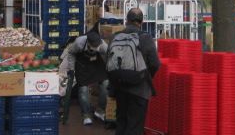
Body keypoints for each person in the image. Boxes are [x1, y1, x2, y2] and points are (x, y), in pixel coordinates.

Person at [108, 7, 160, 135]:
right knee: (135, 127)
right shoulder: (145, 38)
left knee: (121, 123)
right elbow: (155, 64)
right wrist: (145, 76)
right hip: (139, 89)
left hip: (119, 87)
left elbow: (108, 61)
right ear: (141, 22)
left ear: (127, 20)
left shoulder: (115, 37)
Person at [59, 31, 109, 126]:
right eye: (93, 46)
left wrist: (109, 69)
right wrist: (72, 69)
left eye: (97, 46)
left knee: (106, 84)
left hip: (97, 65)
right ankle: (86, 115)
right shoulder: (79, 43)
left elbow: (109, 57)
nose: (96, 48)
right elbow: (71, 53)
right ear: (88, 43)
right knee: (83, 89)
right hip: (82, 66)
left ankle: (100, 110)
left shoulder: (103, 45)